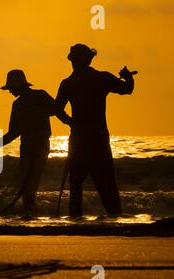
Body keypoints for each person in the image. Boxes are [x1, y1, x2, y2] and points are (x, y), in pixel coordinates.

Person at [55, 44, 135, 217]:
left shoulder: (70, 83)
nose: (75, 63)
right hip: (95, 138)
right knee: (103, 181)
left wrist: (71, 123)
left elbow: (57, 110)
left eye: (76, 59)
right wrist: (128, 78)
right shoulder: (100, 78)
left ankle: (78, 218)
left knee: (78, 182)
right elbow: (127, 89)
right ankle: (114, 215)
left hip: (82, 139)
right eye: (74, 59)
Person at [0, 69, 62, 217]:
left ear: (19, 86)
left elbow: (57, 111)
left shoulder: (40, 95)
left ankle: (29, 212)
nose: (10, 91)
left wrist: (72, 123)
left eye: (11, 88)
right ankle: (29, 212)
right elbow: (13, 133)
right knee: (26, 181)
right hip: (26, 146)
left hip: (40, 145)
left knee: (30, 180)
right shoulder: (17, 104)